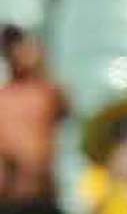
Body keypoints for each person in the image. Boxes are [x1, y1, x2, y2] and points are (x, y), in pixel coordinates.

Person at [0, 25, 68, 214]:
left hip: (42, 194)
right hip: (10, 195)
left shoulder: (47, 93)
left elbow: (64, 107)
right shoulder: (4, 98)